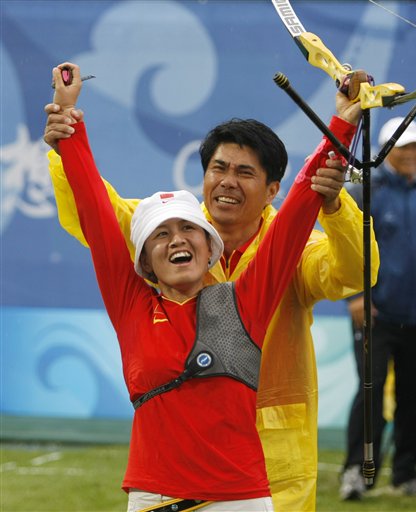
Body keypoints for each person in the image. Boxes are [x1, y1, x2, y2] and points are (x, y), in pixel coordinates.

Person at [44, 67, 378, 512]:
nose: (176, 239)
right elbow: (97, 214)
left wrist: (338, 153)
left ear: (271, 189)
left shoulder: (260, 285)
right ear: (142, 257)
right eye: (218, 168)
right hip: (158, 488)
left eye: (244, 172)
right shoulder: (146, 276)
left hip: (265, 469)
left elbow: (318, 229)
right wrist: (67, 129)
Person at [340, 117, 416, 500]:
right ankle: (355, 471)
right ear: (387, 153)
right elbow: (346, 248)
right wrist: (354, 296)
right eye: (403, 148)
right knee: (369, 394)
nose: (412, 155)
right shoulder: (367, 192)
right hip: (376, 316)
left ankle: (406, 473)